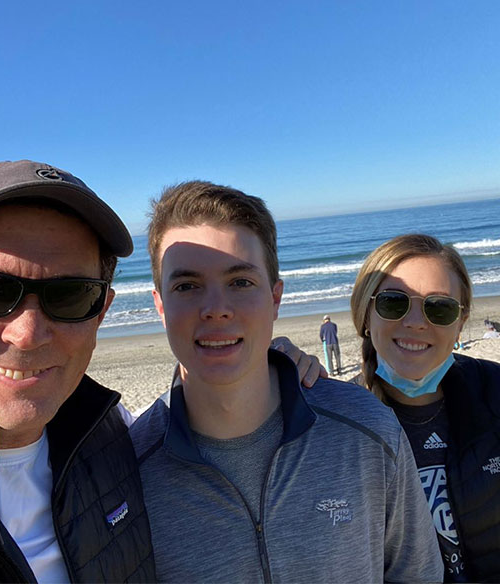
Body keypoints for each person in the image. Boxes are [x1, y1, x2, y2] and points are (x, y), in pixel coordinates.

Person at [130, 181, 443, 583]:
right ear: (159, 304)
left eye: (240, 282)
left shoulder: (367, 431)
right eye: (186, 286)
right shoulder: (131, 473)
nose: (216, 309)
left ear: (275, 298)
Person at [0, 160, 155, 582]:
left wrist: (274, 372)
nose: (27, 334)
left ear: (101, 314)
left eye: (71, 295)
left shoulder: (114, 437)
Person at [350, 234, 500, 582]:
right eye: (393, 303)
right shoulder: (336, 425)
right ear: (365, 315)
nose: (416, 322)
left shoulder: (493, 392)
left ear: (460, 322)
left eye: (440, 307)